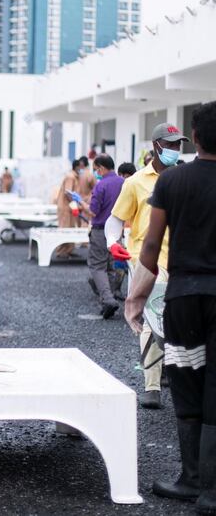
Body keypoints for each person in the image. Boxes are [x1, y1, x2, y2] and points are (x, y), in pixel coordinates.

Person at [129, 102, 216, 510]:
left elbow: (150, 247)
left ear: (194, 138)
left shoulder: (173, 182)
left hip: (184, 296)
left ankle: (191, 479)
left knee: (186, 380)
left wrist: (139, 295)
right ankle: (212, 493)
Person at [106, 122, 187, 409]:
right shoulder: (135, 182)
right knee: (152, 323)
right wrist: (112, 242)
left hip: (182, 261)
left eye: (179, 144)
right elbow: (115, 219)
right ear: (156, 146)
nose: (176, 149)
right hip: (147, 262)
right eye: (171, 144)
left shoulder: (184, 179)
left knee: (177, 322)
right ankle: (152, 387)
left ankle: (168, 372)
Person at [79, 154, 123, 319]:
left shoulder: (101, 185)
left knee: (97, 266)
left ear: (102, 168)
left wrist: (81, 203)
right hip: (117, 230)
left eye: (96, 169)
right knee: (111, 266)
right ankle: (108, 299)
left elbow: (93, 210)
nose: (95, 172)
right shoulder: (123, 183)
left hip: (100, 230)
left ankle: (108, 299)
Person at [55, 159, 81, 258]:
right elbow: (68, 192)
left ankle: (68, 250)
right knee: (65, 229)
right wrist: (74, 204)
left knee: (70, 228)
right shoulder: (70, 177)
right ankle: (61, 251)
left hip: (68, 206)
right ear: (77, 167)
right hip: (65, 207)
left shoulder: (74, 176)